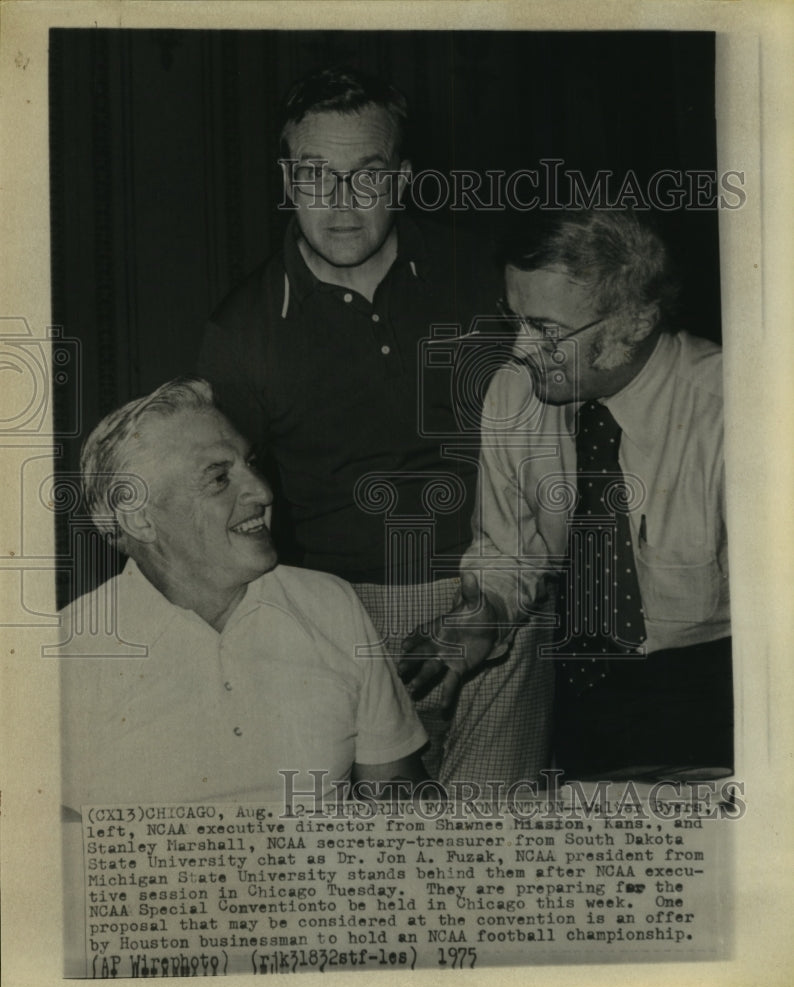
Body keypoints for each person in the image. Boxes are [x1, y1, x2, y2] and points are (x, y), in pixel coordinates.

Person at [198, 67, 553, 785]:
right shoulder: (241, 332)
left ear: (403, 178)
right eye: (315, 174)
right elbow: (218, 510)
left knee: (495, 855)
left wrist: (495, 605)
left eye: (367, 174)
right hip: (341, 612)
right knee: (382, 867)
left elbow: (557, 434)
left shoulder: (482, 273)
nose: (340, 203)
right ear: (287, 178)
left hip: (498, 590)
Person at [425, 209, 732, 782]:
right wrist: (480, 615)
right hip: (581, 692)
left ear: (635, 320)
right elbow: (509, 555)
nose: (519, 348)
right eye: (512, 318)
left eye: (544, 329)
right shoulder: (516, 393)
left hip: (717, 696)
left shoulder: (731, 412)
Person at [59, 377, 429, 814]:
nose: (262, 492)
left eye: (251, 464)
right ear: (139, 519)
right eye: (219, 478)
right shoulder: (68, 652)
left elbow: (402, 804)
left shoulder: (331, 605)